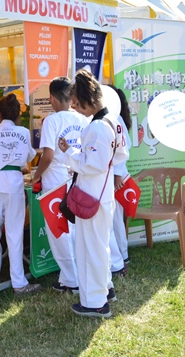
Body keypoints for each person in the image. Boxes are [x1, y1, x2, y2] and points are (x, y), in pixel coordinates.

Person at [57, 69, 127, 318]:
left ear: (87, 101)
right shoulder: (112, 122)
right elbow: (120, 155)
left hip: (92, 195)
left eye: (77, 103)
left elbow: (91, 165)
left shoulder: (97, 126)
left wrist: (70, 154)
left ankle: (96, 302)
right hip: (101, 193)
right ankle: (104, 290)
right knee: (99, 246)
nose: (76, 108)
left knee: (90, 249)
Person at [0, 93, 40, 295]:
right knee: (14, 232)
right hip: (14, 182)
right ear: (17, 114)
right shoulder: (22, 132)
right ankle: (18, 282)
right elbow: (30, 155)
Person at [31, 77, 89, 294]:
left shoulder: (51, 121)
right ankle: (71, 276)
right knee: (74, 230)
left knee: (58, 232)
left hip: (55, 184)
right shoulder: (83, 119)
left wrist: (36, 176)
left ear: (52, 99)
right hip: (76, 181)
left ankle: (71, 279)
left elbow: (47, 156)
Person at [109, 85, 133, 269]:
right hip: (114, 176)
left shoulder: (115, 119)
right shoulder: (114, 118)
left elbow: (123, 150)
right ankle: (119, 254)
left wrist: (117, 175)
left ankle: (122, 255)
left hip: (116, 177)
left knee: (116, 218)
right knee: (114, 218)